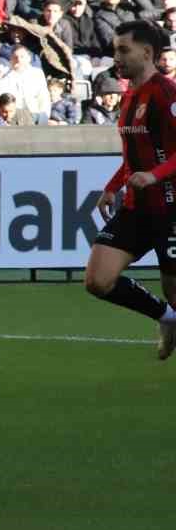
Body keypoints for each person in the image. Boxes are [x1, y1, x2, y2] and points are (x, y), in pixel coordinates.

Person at [85, 19, 176, 358]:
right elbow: (134, 157)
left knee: (174, 287)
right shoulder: (129, 96)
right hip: (137, 207)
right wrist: (112, 187)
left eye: (124, 50)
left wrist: (156, 176)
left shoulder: (166, 92)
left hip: (171, 207)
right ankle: (167, 318)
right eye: (114, 51)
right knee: (98, 280)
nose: (117, 57)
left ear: (148, 52)